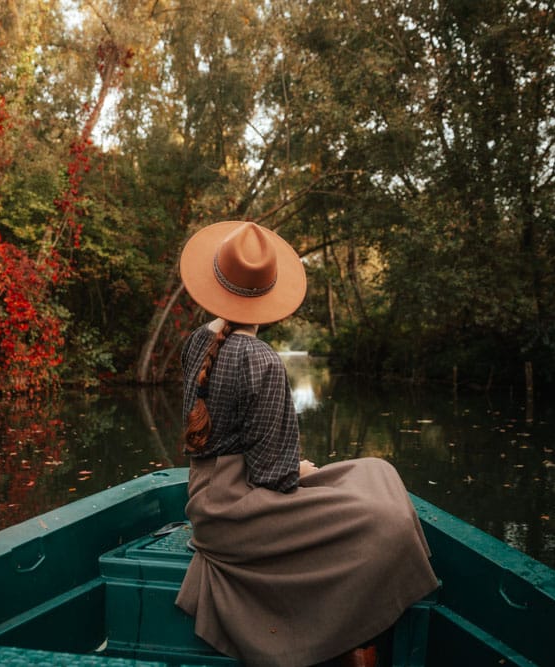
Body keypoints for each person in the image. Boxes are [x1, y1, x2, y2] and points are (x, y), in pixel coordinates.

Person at [174, 221, 439, 667]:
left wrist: (295, 471)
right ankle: (354, 637)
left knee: (375, 469)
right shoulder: (261, 360)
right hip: (240, 511)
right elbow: (274, 478)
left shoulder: (196, 341)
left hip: (206, 495)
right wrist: (301, 470)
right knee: (386, 520)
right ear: (267, 297)